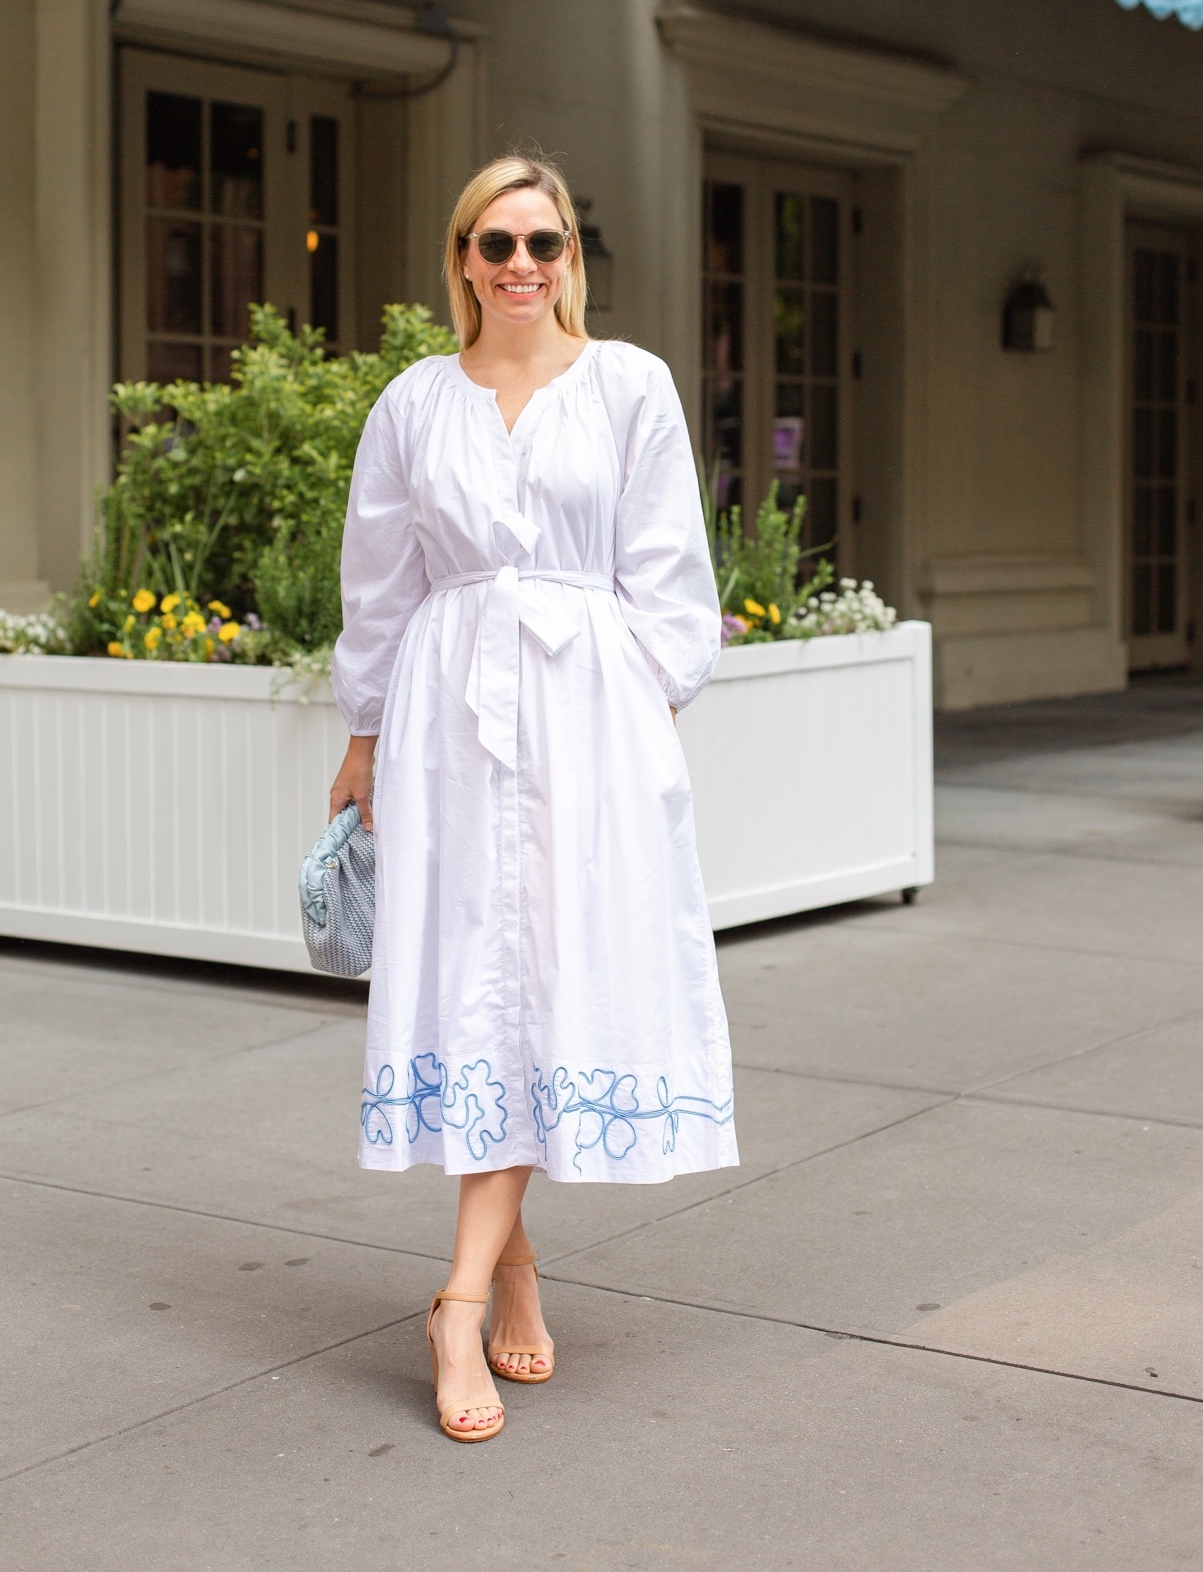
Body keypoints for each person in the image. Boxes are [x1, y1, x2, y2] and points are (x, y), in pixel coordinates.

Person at [328, 153, 736, 1444]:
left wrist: (638, 720)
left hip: (588, 719)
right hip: (445, 718)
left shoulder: (628, 387)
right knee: (471, 983)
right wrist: (360, 732)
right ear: (459, 259)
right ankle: (496, 1271)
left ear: (573, 260)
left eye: (543, 244)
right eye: (495, 243)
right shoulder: (412, 402)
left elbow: (669, 569)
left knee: (552, 975)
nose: (520, 266)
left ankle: (459, 1291)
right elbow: (379, 579)